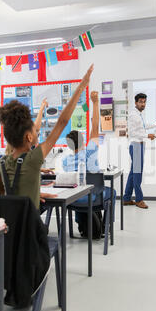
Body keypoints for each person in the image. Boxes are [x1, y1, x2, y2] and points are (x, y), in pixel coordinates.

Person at [0, 64, 94, 208]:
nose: (38, 131)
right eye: (35, 131)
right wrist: (81, 86)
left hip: (11, 224)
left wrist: (33, 194)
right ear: (29, 137)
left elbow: (2, 194)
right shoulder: (33, 158)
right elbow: (62, 122)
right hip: (30, 226)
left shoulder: (3, 162)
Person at [62, 90, 116, 230]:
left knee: (80, 189)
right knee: (112, 192)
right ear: (82, 140)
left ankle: (81, 224)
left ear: (68, 145)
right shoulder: (90, 151)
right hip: (92, 199)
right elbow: (95, 126)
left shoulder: (65, 162)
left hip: (73, 200)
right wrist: (95, 102)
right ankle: (106, 227)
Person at [123, 93, 156, 209]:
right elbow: (133, 133)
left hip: (139, 146)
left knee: (133, 173)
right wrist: (148, 136)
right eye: (141, 102)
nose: (143, 104)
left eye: (144, 102)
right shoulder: (133, 115)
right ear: (136, 102)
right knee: (137, 174)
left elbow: (143, 126)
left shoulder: (139, 114)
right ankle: (139, 199)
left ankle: (126, 198)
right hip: (136, 146)